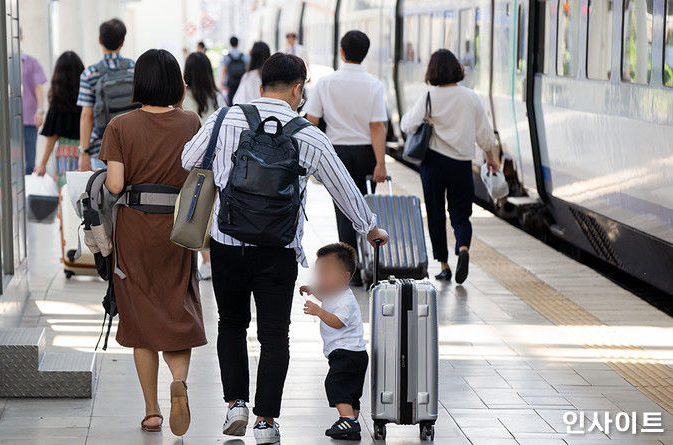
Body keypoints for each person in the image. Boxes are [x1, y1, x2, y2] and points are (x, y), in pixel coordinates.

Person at [182, 53, 389, 444]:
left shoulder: (226, 119)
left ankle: (235, 405)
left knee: (231, 323)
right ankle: (265, 421)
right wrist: (370, 229)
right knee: (275, 334)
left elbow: (187, 159)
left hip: (227, 243)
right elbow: (342, 185)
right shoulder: (307, 134)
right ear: (297, 89)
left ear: (261, 87)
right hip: (277, 250)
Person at [99, 49, 207, 436]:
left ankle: (152, 410)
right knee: (177, 305)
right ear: (175, 83)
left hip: (136, 229)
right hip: (178, 229)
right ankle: (179, 379)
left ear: (139, 82)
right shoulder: (192, 121)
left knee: (141, 316)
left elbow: (114, 185)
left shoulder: (120, 126)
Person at [400, 49, 499, 284]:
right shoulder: (470, 97)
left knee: (435, 214)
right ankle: (463, 248)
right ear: (457, 68)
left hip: (433, 164)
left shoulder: (429, 96)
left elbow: (407, 125)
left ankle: (444, 266)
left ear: (431, 71)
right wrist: (491, 158)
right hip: (461, 165)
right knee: (461, 214)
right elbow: (485, 134)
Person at [304, 30, 388, 286]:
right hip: (365, 153)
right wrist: (380, 162)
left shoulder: (325, 83)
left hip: (335, 154)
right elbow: (377, 126)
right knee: (365, 205)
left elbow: (312, 121)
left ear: (341, 52)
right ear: (365, 53)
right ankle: (368, 260)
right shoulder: (374, 84)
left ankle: (350, 270)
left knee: (344, 210)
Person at [300, 243, 367, 440]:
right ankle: (351, 423)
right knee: (351, 391)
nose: (322, 279)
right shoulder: (335, 293)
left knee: (335, 384)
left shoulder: (346, 300)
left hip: (347, 353)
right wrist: (313, 290)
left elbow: (338, 322)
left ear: (345, 277)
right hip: (351, 353)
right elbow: (326, 296)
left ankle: (347, 419)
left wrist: (318, 311)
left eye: (326, 274)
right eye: (319, 274)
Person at [182, 51, 227, 280]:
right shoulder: (218, 98)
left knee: (191, 212)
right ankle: (209, 260)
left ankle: (201, 260)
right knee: (210, 212)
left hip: (189, 164)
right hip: (214, 165)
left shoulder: (182, 98)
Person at [77, 18, 135, 171]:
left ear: (99, 40)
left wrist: (83, 152)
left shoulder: (89, 74)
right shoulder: (134, 69)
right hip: (133, 147)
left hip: (101, 149)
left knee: (103, 193)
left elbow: (86, 116)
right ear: (122, 42)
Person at [33, 51, 85, 188]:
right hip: (86, 150)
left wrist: (42, 164)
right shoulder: (87, 98)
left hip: (65, 155)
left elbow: (52, 136)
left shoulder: (58, 101)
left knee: (65, 195)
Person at [21, 38, 48, 175]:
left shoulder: (31, 62)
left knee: (29, 162)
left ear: (20, 37)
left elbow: (39, 88)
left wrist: (40, 110)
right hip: (5, 120)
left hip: (28, 118)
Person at [221, 36, 249, 105]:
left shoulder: (227, 56)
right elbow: (247, 68)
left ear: (230, 44)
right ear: (238, 43)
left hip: (230, 82)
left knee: (230, 100)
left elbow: (224, 70)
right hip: (241, 81)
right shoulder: (243, 55)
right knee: (240, 100)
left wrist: (222, 82)